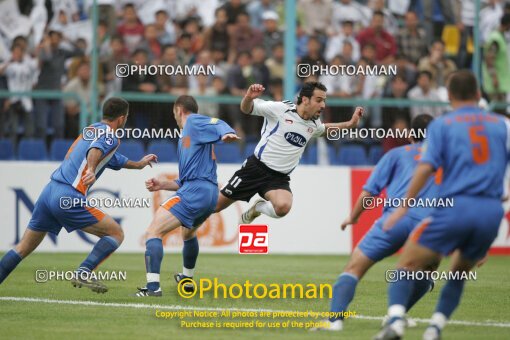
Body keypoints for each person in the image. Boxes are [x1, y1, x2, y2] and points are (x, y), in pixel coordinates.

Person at [375, 70, 509, 340]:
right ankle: (435, 328)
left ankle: (396, 322)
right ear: (479, 94)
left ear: (448, 96)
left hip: (456, 206)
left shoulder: (442, 125)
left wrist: (403, 206)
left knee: (406, 265)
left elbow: (426, 168)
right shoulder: (502, 124)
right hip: (490, 212)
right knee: (459, 273)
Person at [0, 98, 157, 293]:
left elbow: (111, 158)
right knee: (116, 233)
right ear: (122, 118)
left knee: (22, 247)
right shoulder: (110, 135)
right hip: (68, 195)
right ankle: (84, 271)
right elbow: (96, 150)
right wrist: (91, 169)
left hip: (49, 191)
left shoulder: (91, 129)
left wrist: (138, 164)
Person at [311, 114, 436, 331]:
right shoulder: (446, 159)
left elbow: (370, 193)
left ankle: (334, 321)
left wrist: (354, 217)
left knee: (354, 267)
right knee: (425, 272)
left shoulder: (396, 154)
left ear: (411, 135)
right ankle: (396, 315)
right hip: (429, 226)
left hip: (394, 220)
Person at [134, 95, 239, 297]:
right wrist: (162, 184)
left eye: (174, 111)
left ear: (179, 109)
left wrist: (227, 133)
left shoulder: (192, 121)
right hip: (207, 194)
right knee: (188, 234)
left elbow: (217, 122)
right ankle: (187, 279)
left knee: (153, 232)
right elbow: (186, 178)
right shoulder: (188, 137)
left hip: (196, 192)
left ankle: (153, 288)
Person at [216, 82, 363, 225]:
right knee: (215, 206)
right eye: (319, 100)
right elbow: (247, 109)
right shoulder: (280, 109)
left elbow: (323, 130)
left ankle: (258, 208)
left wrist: (349, 125)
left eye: (324, 101)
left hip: (278, 178)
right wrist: (248, 97)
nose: (323, 105)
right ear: (305, 99)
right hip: (254, 169)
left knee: (283, 207)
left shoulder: (314, 124)